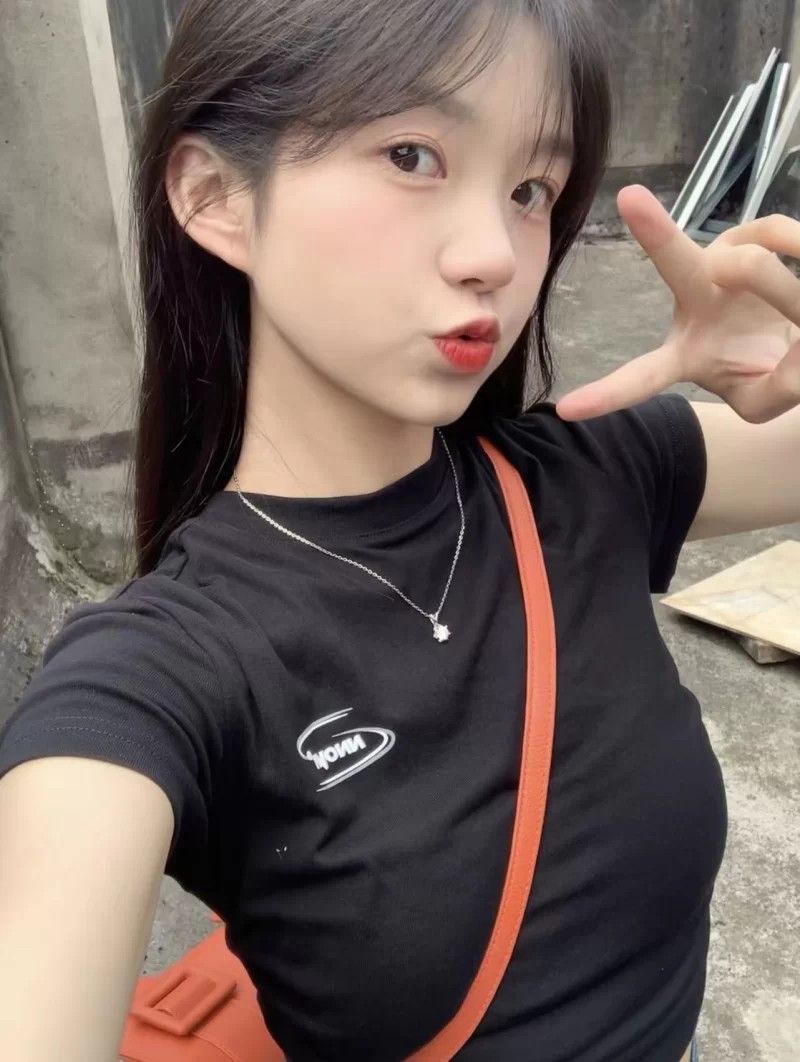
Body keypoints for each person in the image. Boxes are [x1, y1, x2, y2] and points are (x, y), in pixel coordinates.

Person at [0, 0, 798, 1059]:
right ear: (216, 197)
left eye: (529, 190)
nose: (494, 256)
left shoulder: (588, 476)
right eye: (412, 155)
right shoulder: (163, 669)